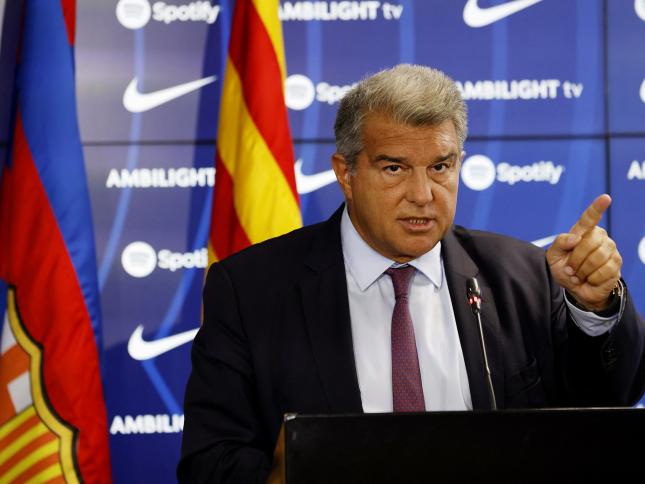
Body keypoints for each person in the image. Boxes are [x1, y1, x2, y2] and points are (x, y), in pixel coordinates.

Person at [178, 64, 645, 483]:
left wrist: (594, 309)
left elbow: (610, 403)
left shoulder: (520, 274)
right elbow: (208, 462)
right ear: (346, 174)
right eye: (394, 168)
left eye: (440, 167)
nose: (422, 194)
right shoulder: (251, 291)